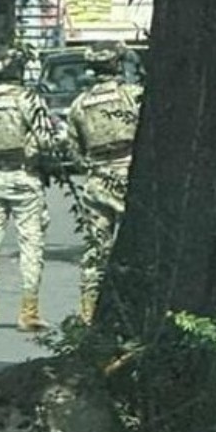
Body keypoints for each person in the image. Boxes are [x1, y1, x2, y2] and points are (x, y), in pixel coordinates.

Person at [66, 41, 142, 324]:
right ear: (118, 64)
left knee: (96, 247)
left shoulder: (79, 104)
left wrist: (91, 166)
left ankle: (89, 311)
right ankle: (131, 311)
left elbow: (72, 149)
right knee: (135, 244)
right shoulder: (133, 95)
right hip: (128, 173)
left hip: (96, 177)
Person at [0, 44, 54, 331]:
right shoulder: (28, 98)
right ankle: (28, 313)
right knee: (30, 244)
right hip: (24, 177)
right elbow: (46, 140)